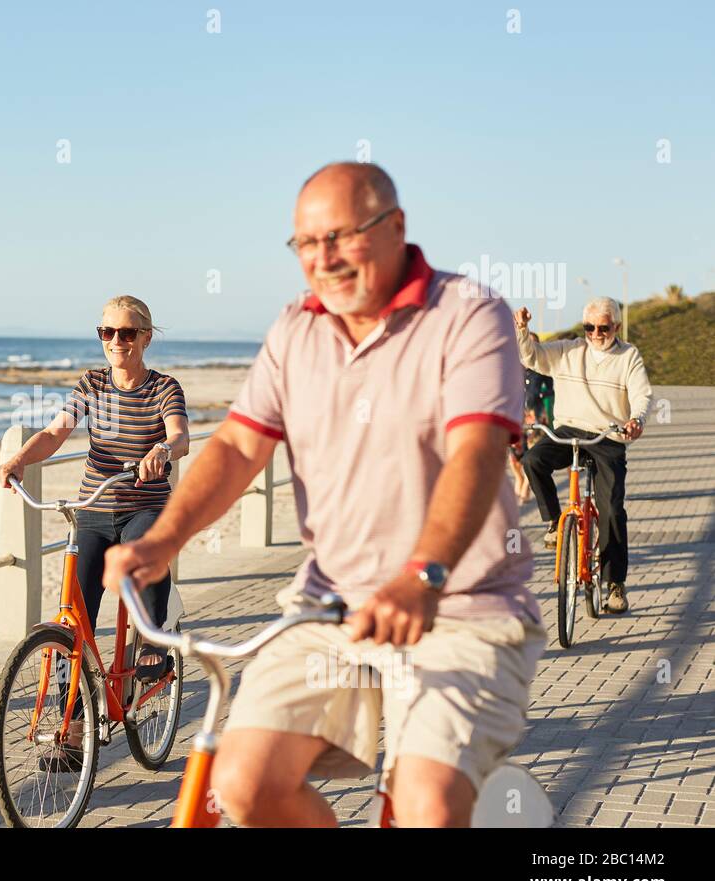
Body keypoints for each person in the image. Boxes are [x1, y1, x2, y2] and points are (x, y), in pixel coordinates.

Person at [103, 162, 546, 827]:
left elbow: (477, 454)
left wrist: (423, 573)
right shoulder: (295, 330)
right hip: (327, 611)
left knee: (426, 804)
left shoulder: (467, 315)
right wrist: (164, 538)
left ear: (396, 227)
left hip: (461, 609)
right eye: (305, 244)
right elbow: (235, 446)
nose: (323, 259)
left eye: (340, 236)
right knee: (244, 782)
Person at [0, 295, 189, 768]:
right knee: (72, 619)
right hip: (93, 508)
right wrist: (20, 459)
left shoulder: (164, 387)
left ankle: (153, 642)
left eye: (126, 333)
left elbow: (180, 434)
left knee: (145, 552)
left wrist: (163, 450)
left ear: (145, 336)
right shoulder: (92, 383)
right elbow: (56, 433)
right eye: (107, 332)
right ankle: (73, 726)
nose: (116, 341)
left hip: (143, 503)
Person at [515, 298, 651, 613]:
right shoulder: (569, 350)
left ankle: (615, 585)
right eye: (590, 327)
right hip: (569, 429)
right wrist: (522, 329)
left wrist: (636, 421)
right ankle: (552, 523)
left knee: (612, 509)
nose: (595, 334)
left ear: (616, 327)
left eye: (603, 328)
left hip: (608, 435)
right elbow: (531, 356)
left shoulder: (628, 356)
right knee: (534, 461)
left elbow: (642, 394)